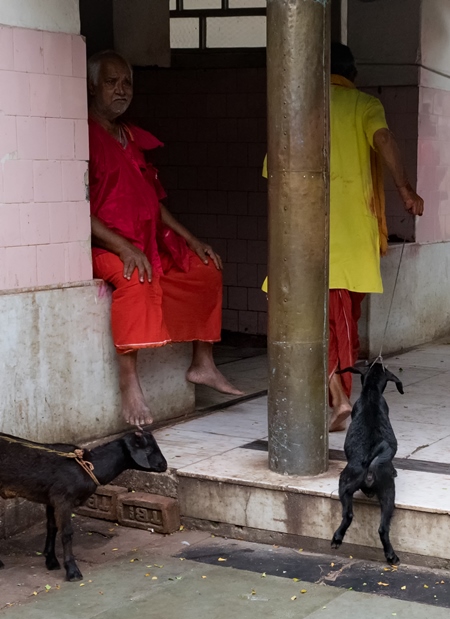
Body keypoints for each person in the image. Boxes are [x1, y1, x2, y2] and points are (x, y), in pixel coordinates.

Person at [263, 42, 424, 431]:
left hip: (306, 234)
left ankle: (337, 395)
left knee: (322, 321)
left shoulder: (301, 112)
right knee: (341, 322)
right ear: (353, 75)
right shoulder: (364, 105)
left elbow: (273, 170)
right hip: (353, 237)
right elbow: (383, 140)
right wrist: (405, 189)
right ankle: (340, 399)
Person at [87, 50, 242, 427]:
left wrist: (191, 239)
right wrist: (123, 247)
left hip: (145, 242)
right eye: (111, 82)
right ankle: (129, 383)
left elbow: (154, 203)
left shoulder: (129, 136)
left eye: (127, 83)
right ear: (92, 86)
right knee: (134, 277)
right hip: (102, 245)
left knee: (204, 270)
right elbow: (78, 209)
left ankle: (203, 364)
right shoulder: (82, 134)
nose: (121, 90)